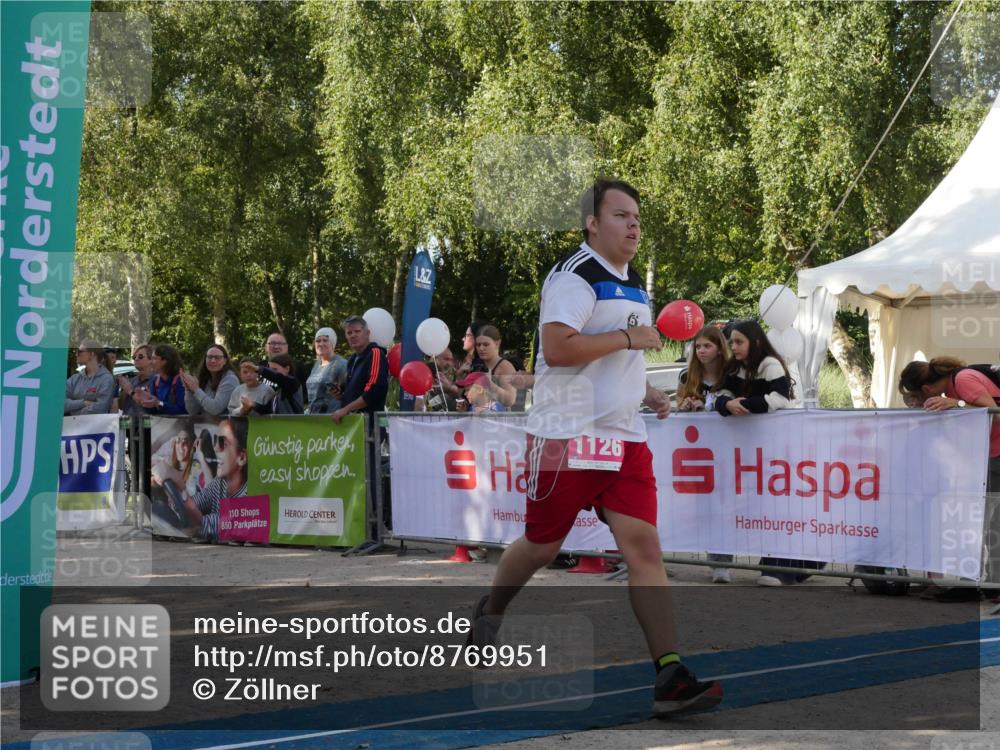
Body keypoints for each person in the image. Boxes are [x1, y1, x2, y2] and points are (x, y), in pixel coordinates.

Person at [468, 179, 722, 716]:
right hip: (565, 437)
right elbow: (559, 349)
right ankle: (490, 610)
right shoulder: (574, 276)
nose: (633, 226)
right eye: (621, 216)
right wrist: (634, 340)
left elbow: (613, 357)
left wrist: (645, 389)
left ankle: (669, 674)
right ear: (591, 223)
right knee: (541, 545)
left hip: (624, 439)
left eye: (636, 218)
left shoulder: (632, 283)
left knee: (645, 551)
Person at [715, 320, 820, 587]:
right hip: (746, 449)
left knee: (777, 506)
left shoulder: (770, 365)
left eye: (739, 342)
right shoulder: (734, 367)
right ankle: (789, 565)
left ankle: (782, 568)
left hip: (775, 447)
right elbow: (721, 394)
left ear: (755, 342)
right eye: (732, 342)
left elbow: (781, 398)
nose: (733, 347)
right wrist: (727, 403)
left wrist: (744, 405)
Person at [900, 357, 1000, 590]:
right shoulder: (958, 383)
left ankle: (986, 584)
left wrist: (959, 404)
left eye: (917, 397)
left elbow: (996, 415)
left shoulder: (963, 381)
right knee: (988, 522)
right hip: (991, 455)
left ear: (925, 389)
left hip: (997, 456)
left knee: (987, 522)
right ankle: (988, 582)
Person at [677, 325, 734, 583]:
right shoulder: (686, 376)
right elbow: (679, 405)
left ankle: (723, 561)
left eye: (707, 346)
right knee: (707, 505)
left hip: (730, 448)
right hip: (699, 451)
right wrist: (687, 405)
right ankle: (717, 561)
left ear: (719, 348)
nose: (701, 351)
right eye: (698, 346)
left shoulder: (733, 375)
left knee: (726, 505)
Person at [152, 417, 248, 542]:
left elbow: (204, 527)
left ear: (241, 458)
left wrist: (180, 485)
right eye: (215, 441)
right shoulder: (219, 484)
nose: (215, 448)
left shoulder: (249, 496)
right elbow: (192, 506)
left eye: (222, 443)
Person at [330, 316, 389, 422]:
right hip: (352, 425)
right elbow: (354, 393)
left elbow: (373, 391)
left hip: (370, 426)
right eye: (349, 333)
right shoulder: (352, 359)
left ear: (367, 333)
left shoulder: (375, 353)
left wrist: (345, 409)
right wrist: (340, 395)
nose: (353, 335)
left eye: (357, 331)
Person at [183, 344, 239, 417]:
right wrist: (189, 390)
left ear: (225, 361)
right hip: (205, 426)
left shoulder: (230, 379)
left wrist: (196, 389)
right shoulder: (205, 378)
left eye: (217, 357)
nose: (212, 360)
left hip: (225, 426)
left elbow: (215, 409)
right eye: (209, 357)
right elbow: (193, 411)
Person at [64, 340, 116, 415]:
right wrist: (84, 403)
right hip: (73, 425)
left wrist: (72, 412)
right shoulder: (74, 379)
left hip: (95, 426)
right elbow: (60, 403)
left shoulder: (107, 379)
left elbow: (100, 409)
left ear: (91, 354)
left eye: (79, 351)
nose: (76, 354)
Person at [304, 327, 348, 415]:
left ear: (332, 343)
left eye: (325, 340)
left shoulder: (342, 364)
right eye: (318, 341)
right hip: (313, 417)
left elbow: (349, 394)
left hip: (332, 418)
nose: (321, 343)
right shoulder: (316, 365)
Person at [135, 344, 187, 415]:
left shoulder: (180, 380)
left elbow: (182, 410)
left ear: (165, 361)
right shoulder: (156, 380)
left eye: (154, 358)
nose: (151, 362)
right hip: (162, 424)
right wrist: (145, 401)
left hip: (179, 425)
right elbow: (153, 411)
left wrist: (159, 403)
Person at [262, 332, 310, 400]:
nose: (276, 347)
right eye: (272, 343)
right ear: (266, 347)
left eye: (280, 343)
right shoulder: (259, 367)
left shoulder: (298, 368)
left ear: (287, 347)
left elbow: (307, 394)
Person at [118, 344, 155, 417]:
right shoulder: (132, 380)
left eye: (140, 356)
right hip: (127, 425)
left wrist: (130, 391)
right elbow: (121, 406)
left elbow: (147, 404)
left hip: (146, 425)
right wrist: (124, 389)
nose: (136, 359)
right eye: (134, 357)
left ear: (151, 360)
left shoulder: (157, 381)